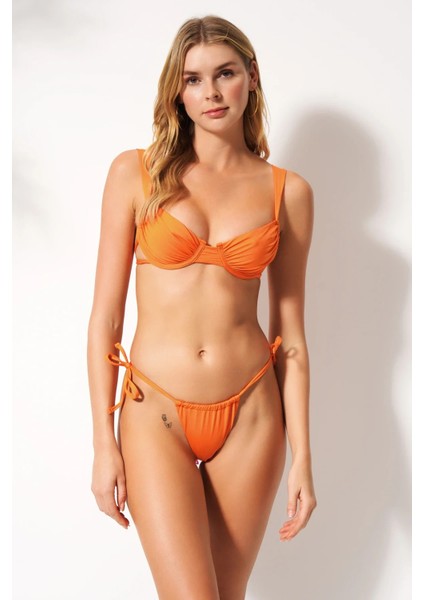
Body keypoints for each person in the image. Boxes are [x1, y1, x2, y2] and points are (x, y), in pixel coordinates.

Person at [87, 14, 317, 600]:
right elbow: (105, 320)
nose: (211, 93)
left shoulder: (288, 192)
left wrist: (303, 458)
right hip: (154, 412)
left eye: (225, 74)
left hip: (252, 417)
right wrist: (102, 443)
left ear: (252, 77)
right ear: (177, 90)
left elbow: (290, 333)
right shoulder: (135, 173)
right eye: (193, 79)